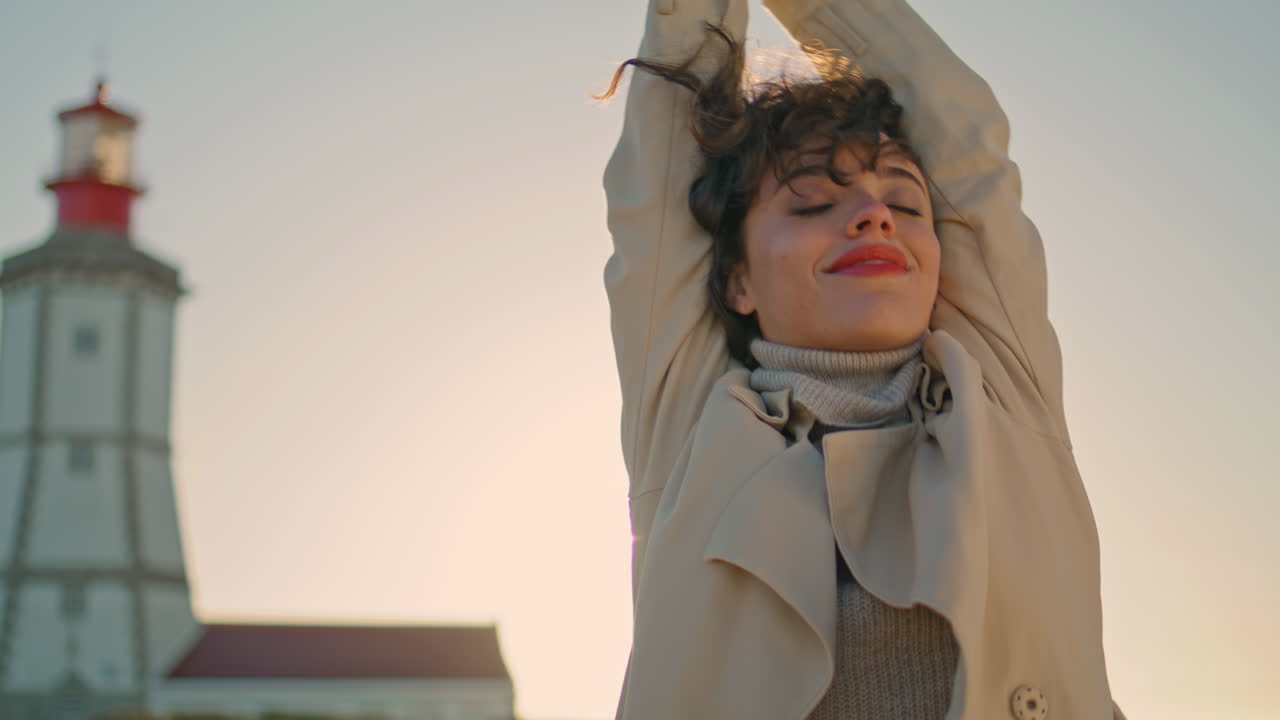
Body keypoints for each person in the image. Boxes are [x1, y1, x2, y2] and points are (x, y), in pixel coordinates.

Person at [601, 0, 1124, 718]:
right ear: (738, 280)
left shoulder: (1001, 394)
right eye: (811, 202)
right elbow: (663, 166)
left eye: (907, 205)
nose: (874, 216)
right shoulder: (692, 427)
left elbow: (959, 128)